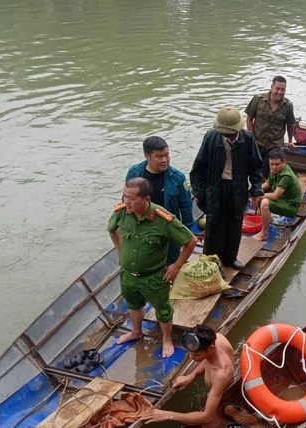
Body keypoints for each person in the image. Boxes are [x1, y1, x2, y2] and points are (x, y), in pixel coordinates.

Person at [107, 178, 198, 358]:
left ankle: (166, 339)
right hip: (128, 275)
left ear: (146, 199)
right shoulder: (122, 212)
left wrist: (176, 266)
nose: (126, 201)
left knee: (163, 310)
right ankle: (136, 332)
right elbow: (111, 229)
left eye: (132, 198)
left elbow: (190, 241)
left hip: (154, 277)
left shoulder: (161, 218)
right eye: (125, 196)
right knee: (133, 304)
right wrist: (120, 254)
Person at [190, 106, 264, 269]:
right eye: (226, 134)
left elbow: (256, 166)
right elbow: (198, 168)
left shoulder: (247, 139)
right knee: (214, 224)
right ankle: (210, 263)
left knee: (235, 223)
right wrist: (199, 192)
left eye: (232, 134)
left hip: (238, 188)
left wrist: (256, 190)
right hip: (215, 187)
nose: (229, 137)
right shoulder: (211, 138)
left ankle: (230, 258)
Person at [139, 325, 234, 427]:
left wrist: (169, 415)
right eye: (190, 353)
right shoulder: (217, 338)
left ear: (210, 349)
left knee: (210, 424)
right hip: (214, 391)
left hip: (222, 400)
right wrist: (191, 375)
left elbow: (207, 417)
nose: (191, 357)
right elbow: (208, 361)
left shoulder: (221, 374)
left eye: (196, 355)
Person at [126, 136, 194, 265]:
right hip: (141, 227)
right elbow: (127, 201)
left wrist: (186, 237)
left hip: (167, 229)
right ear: (147, 156)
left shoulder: (178, 178)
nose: (164, 160)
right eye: (159, 156)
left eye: (167, 155)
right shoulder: (134, 173)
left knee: (169, 263)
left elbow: (186, 207)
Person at [245, 76, 296, 177]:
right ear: (272, 87)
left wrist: (290, 140)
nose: (280, 92)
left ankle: (268, 189)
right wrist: (252, 138)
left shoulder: (288, 105)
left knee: (271, 171)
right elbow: (249, 119)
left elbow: (290, 124)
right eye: (277, 89)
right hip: (257, 142)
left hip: (275, 145)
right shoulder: (258, 99)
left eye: (283, 90)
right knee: (253, 168)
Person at [252, 149, 303, 241]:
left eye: (277, 164)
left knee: (264, 202)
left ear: (284, 163)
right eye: (271, 164)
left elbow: (275, 196)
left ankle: (264, 233)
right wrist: (255, 191)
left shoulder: (286, 176)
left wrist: (259, 195)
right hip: (282, 200)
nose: (274, 167)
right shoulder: (274, 171)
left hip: (290, 206)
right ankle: (263, 220)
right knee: (259, 195)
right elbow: (268, 184)